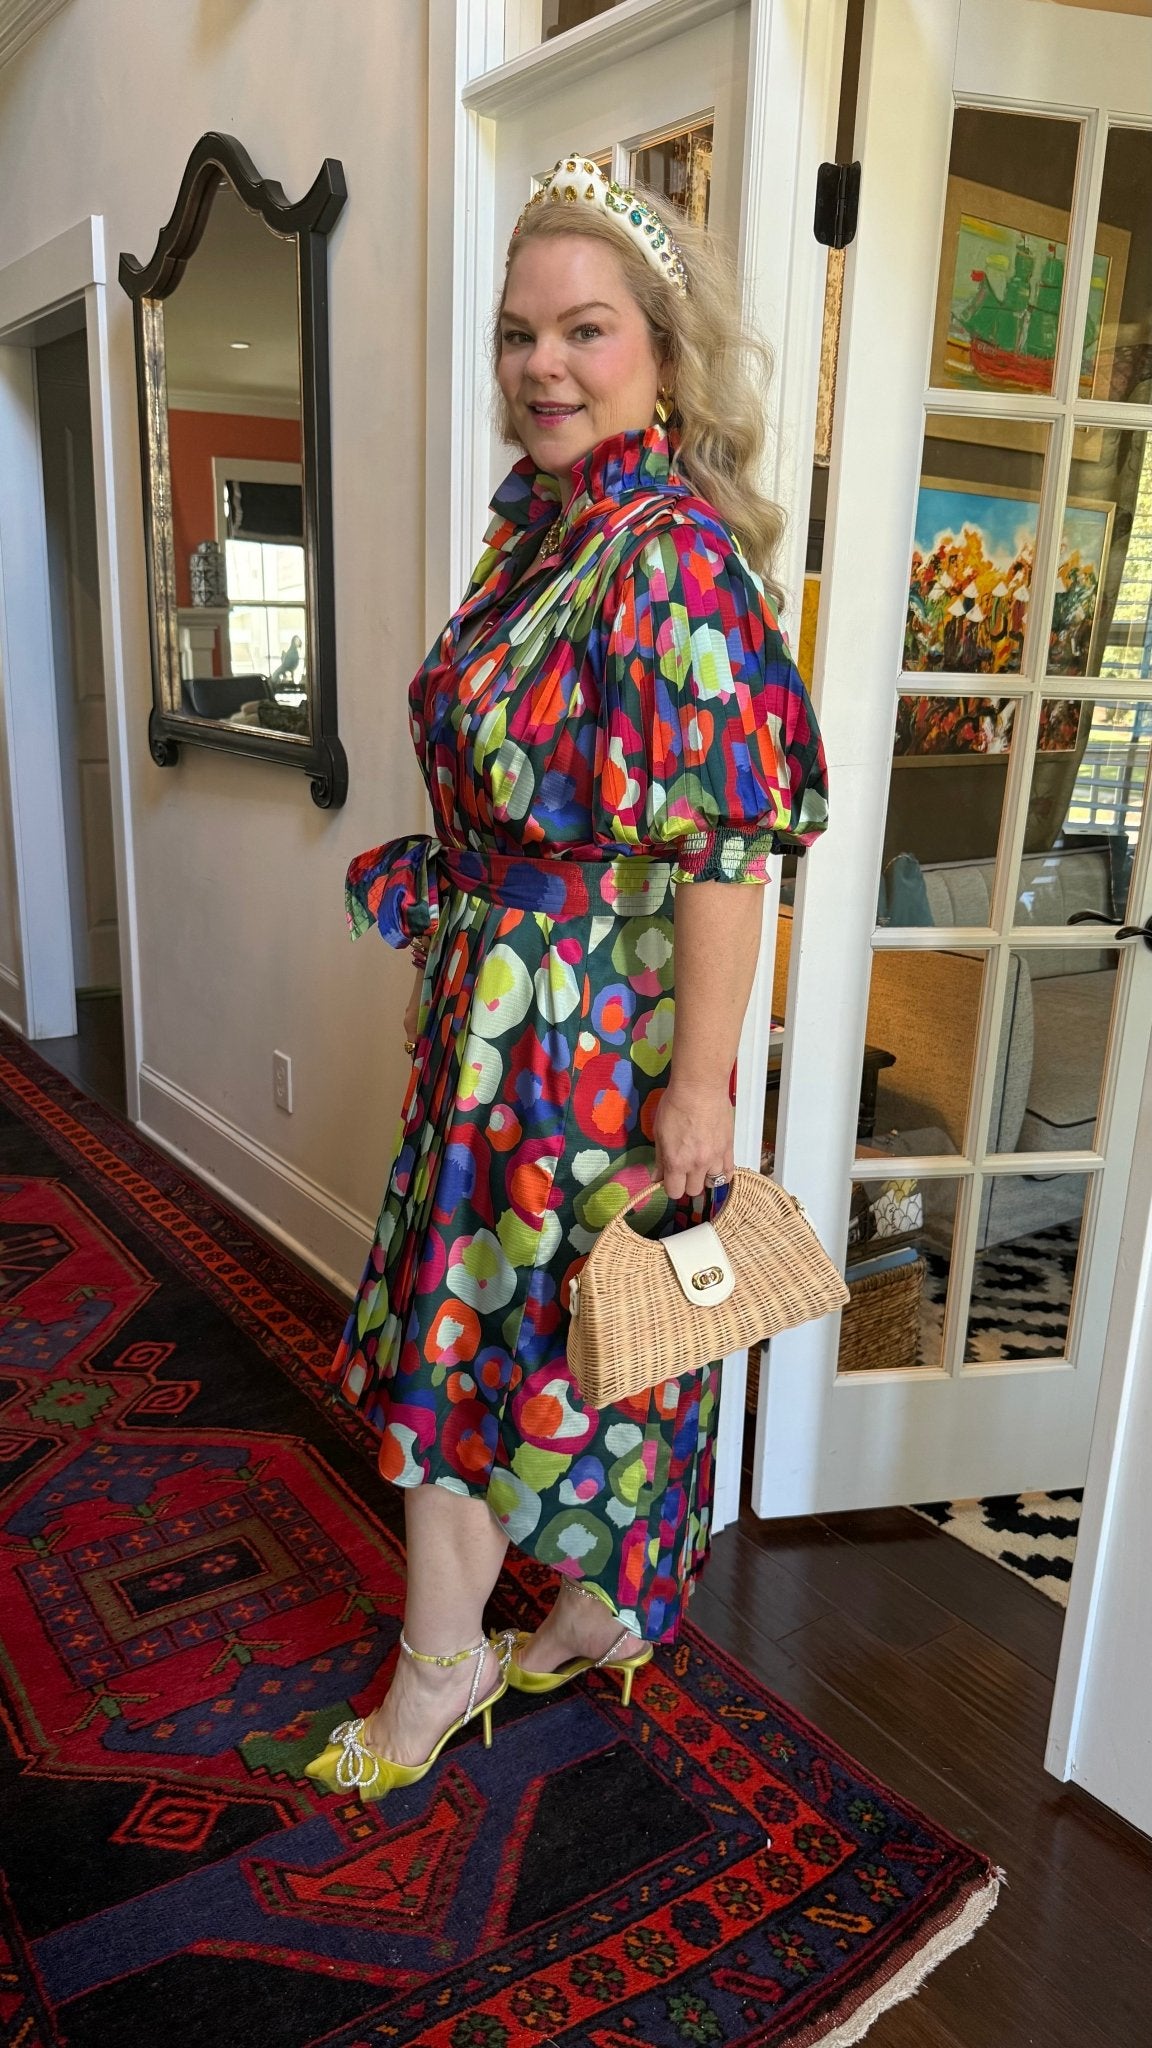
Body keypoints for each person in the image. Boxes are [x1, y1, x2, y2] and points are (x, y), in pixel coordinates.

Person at [306, 155, 828, 1802]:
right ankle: (601, 1608)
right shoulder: (541, 538)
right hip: (502, 1022)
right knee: (570, 1338)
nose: (542, 364)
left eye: (585, 331)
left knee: (487, 1344)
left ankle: (443, 1661)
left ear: (660, 354)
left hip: (590, 1047)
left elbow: (729, 845)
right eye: (520, 333)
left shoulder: (667, 558)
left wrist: (699, 1087)